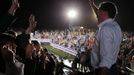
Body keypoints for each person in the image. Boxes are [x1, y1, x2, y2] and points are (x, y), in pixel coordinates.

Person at [89, 0, 122, 75]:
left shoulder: (105, 29)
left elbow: (106, 60)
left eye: (99, 11)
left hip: (104, 70)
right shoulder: (115, 26)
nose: (97, 14)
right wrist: (92, 5)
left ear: (103, 13)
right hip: (112, 68)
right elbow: (100, 14)